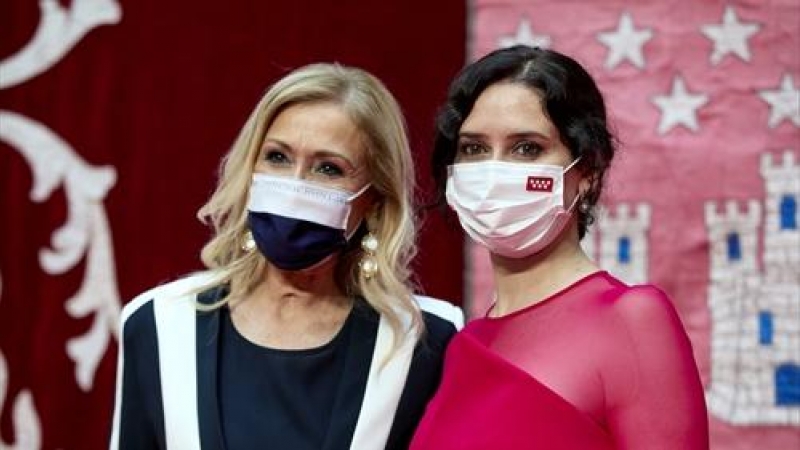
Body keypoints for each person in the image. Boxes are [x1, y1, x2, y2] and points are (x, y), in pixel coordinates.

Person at [108, 63, 463, 450]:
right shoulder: (160, 323)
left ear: (374, 199)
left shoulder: (424, 339)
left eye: (328, 168)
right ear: (249, 167)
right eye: (277, 157)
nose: (294, 185)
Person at [410, 45, 708, 449]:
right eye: (473, 148)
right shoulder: (462, 344)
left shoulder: (632, 320)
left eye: (527, 147)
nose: (495, 169)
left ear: (585, 172)